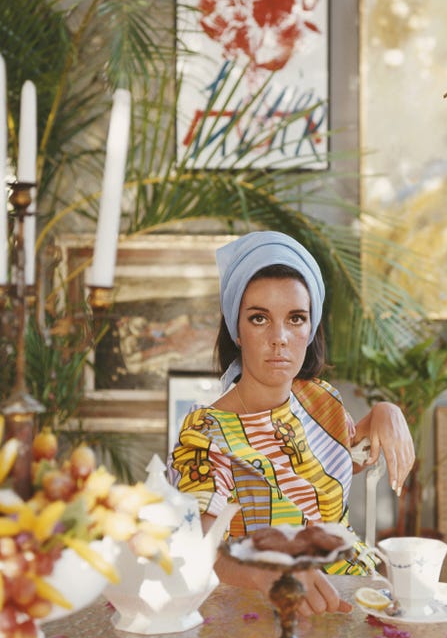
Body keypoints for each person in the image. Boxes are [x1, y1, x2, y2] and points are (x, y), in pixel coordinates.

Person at [167, 230, 415, 615]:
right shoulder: (207, 433)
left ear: (311, 327)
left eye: (296, 318)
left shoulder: (321, 400)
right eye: (259, 318)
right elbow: (197, 546)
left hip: (355, 597)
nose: (279, 338)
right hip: (264, 616)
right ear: (237, 329)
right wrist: (265, 575)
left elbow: (348, 458)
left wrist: (387, 411)